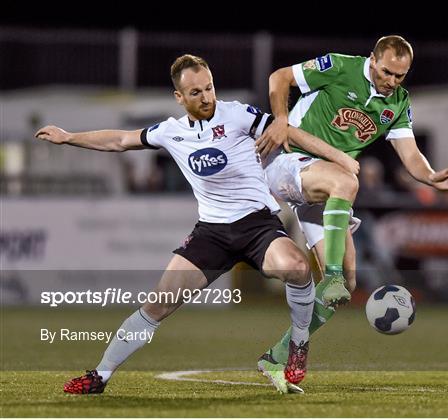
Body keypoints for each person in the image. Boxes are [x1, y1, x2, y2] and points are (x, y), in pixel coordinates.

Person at [35, 54, 327, 395]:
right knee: (156, 306)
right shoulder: (170, 132)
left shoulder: (237, 114)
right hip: (212, 234)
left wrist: (332, 160)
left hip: (257, 225)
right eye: (195, 93)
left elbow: (286, 130)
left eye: (209, 88)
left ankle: (299, 344)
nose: (206, 97)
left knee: (296, 266)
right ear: (179, 97)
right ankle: (100, 376)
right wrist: (69, 137)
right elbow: (120, 140)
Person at [255, 35, 448, 382]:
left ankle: (278, 355)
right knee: (348, 181)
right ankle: (332, 276)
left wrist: (430, 177)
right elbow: (280, 77)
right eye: (387, 72)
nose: (392, 81)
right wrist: (280, 119)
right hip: (287, 162)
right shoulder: (340, 66)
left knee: (347, 285)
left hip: (322, 186)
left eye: (401, 75)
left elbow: (410, 154)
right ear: (372, 60)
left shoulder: (398, 102)